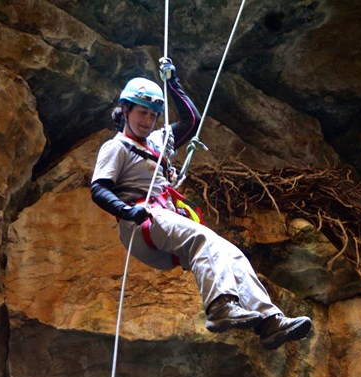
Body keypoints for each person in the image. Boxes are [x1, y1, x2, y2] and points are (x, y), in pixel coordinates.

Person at [90, 58, 312, 350]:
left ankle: (269, 321)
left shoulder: (158, 141)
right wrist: (128, 211)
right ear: (126, 110)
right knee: (204, 239)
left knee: (231, 254)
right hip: (141, 221)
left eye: (154, 115)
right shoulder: (116, 146)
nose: (147, 121)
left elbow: (192, 121)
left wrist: (173, 82)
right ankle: (221, 307)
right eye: (142, 112)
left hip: (164, 220)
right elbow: (98, 188)